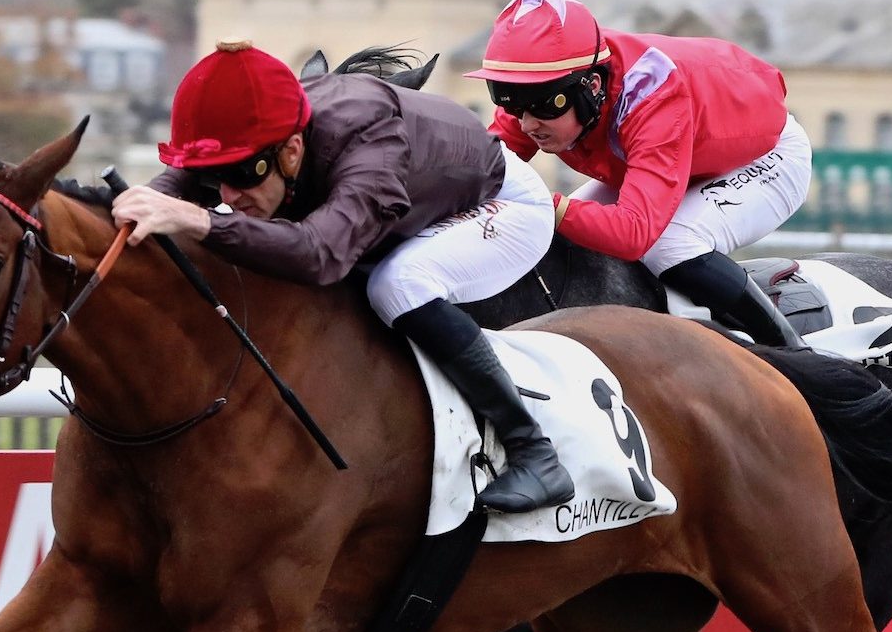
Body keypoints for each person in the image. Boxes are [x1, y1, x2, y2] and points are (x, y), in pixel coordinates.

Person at [111, 39, 573, 513]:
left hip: (500, 203)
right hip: (421, 197)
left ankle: (533, 451)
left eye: (243, 174)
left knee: (396, 284)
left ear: (292, 151)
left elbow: (321, 255)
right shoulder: (257, 141)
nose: (229, 192)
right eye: (214, 177)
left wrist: (203, 220)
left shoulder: (368, 143)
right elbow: (164, 195)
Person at [466, 0, 814, 350]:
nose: (526, 124)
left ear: (592, 86)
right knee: (567, 234)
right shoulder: (546, 82)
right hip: (672, 154)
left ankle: (795, 356)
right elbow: (483, 168)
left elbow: (633, 235)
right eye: (510, 102)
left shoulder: (651, 94)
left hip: (765, 156)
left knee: (669, 245)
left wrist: (538, 202)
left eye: (540, 106)